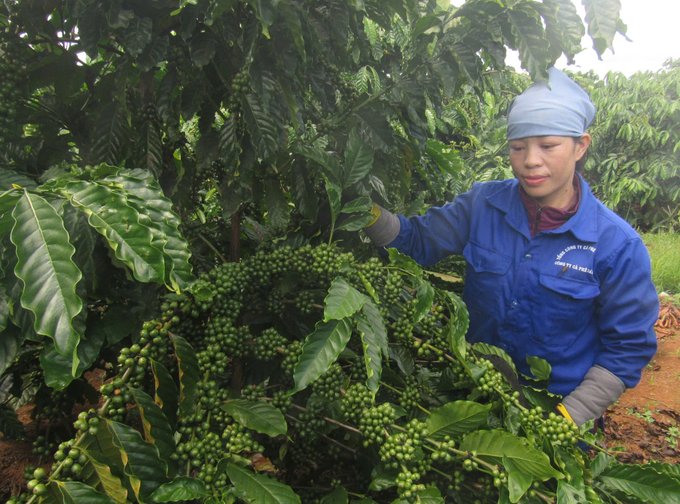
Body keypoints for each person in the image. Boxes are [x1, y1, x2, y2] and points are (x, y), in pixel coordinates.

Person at [363, 67, 658, 427]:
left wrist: (567, 419)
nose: (531, 160)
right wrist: (364, 211)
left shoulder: (617, 244)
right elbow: (414, 241)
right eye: (518, 147)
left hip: (556, 416)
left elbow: (628, 347)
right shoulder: (482, 205)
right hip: (471, 402)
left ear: (581, 145)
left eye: (548, 146)